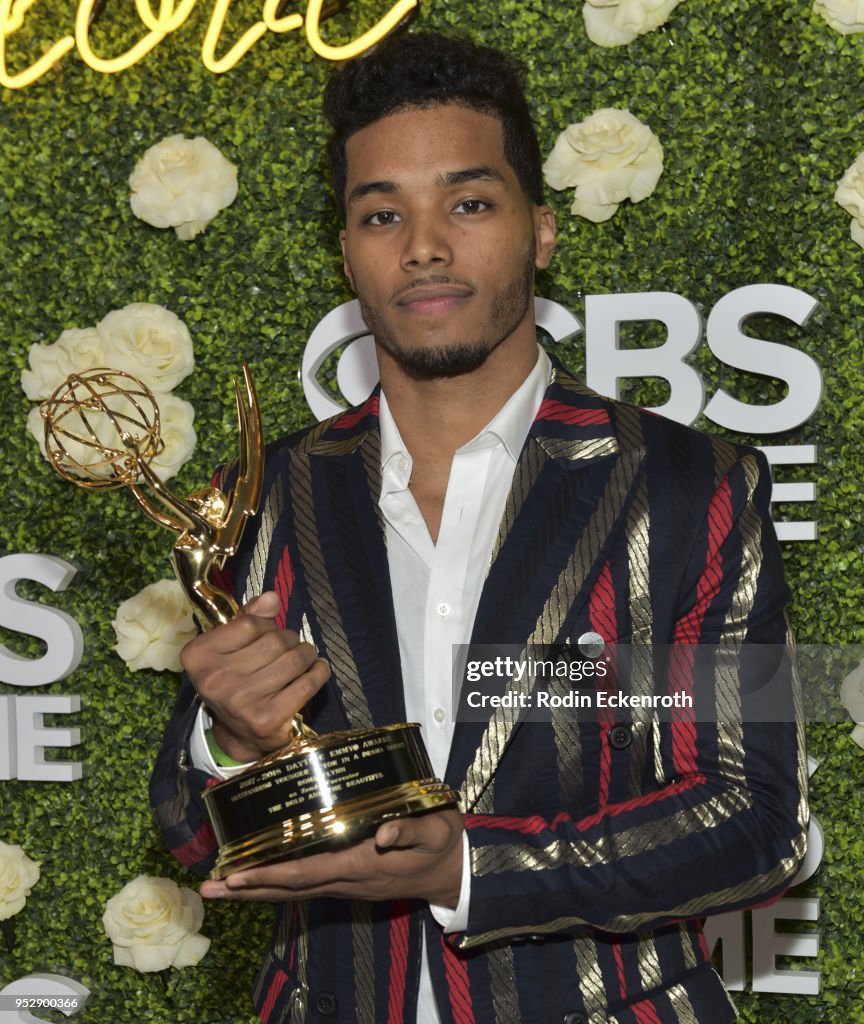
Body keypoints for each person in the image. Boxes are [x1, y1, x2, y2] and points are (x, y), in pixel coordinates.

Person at [150, 30, 808, 1024]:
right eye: (382, 213)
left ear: (539, 229)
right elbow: (192, 838)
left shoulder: (691, 485)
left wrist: (472, 864)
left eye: (468, 202)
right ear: (347, 252)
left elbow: (752, 818)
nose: (423, 245)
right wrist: (236, 747)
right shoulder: (263, 493)